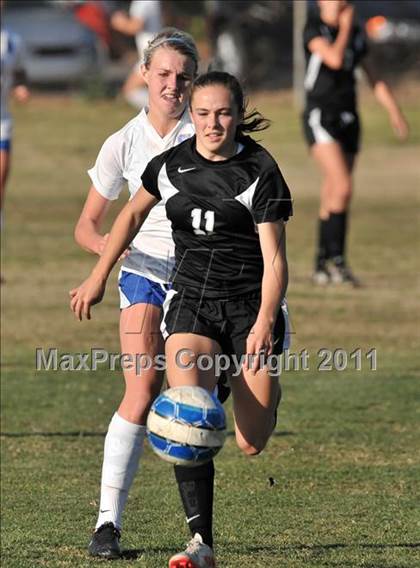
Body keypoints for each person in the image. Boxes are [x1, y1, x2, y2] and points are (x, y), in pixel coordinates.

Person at [70, 70, 293, 568]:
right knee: (187, 411)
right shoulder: (171, 165)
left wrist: (262, 325)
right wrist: (99, 275)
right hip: (193, 302)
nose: (214, 124)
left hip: (248, 308)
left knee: (250, 442)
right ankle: (201, 543)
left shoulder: (259, 169)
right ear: (191, 115)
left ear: (238, 115)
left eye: (224, 113)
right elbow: (128, 215)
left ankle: (250, 380)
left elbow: (276, 262)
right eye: (204, 113)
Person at [73, 28, 198, 559]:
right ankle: (107, 525)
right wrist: (108, 252)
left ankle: (199, 532)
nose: (173, 85)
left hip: (200, 276)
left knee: (194, 398)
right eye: (164, 74)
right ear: (144, 74)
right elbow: (86, 224)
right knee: (142, 388)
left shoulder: (206, 133)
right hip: (142, 271)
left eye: (183, 77)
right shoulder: (122, 142)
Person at [302, 0, 409, 286]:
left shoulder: (356, 32)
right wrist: (346, 27)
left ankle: (323, 264)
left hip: (348, 117)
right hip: (320, 116)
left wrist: (394, 112)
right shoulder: (315, 28)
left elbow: (373, 75)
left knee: (335, 193)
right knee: (342, 186)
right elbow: (334, 59)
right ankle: (336, 262)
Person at [1, 2, 30, 218]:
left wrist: (20, 88)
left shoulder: (11, 41)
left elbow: (19, 73)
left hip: (2, 120)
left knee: (1, 177)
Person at [110, 0, 162, 109]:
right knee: (132, 91)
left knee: (131, 91)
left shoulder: (142, 3)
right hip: (155, 52)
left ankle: (166, 113)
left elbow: (135, 26)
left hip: (151, 55)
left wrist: (119, 22)